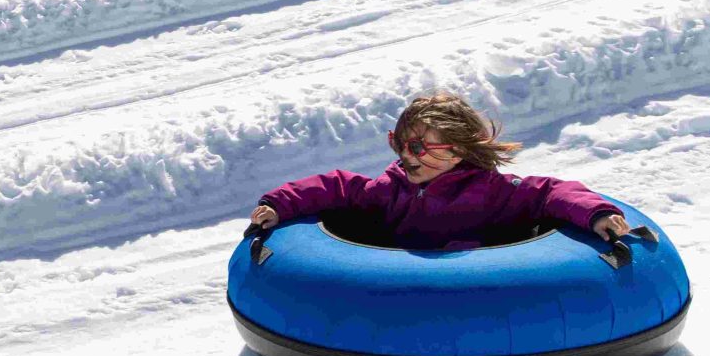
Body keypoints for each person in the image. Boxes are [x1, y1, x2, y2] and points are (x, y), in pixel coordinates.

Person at [248, 93, 630, 251]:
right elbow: (335, 187)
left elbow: (549, 192)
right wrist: (277, 204)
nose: (407, 156)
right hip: (400, 291)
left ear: (459, 149)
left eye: (418, 147)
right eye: (399, 144)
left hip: (479, 294)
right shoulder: (388, 189)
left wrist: (597, 214)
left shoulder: (493, 191)